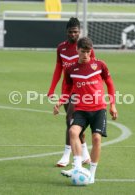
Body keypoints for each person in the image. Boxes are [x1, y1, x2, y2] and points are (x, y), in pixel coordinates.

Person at [53, 37, 118, 184]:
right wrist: (60, 101)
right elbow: (68, 89)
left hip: (99, 109)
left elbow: (109, 83)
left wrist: (112, 104)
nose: (86, 55)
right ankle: (77, 167)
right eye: (83, 52)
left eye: (88, 52)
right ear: (77, 50)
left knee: (96, 138)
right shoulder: (71, 70)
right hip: (81, 109)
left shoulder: (100, 65)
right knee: (72, 132)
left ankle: (92, 174)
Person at [47, 17, 95, 167]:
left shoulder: (85, 48)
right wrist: (51, 89)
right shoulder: (61, 48)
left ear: (80, 32)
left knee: (70, 120)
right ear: (66, 32)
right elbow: (58, 69)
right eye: (70, 32)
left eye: (75, 32)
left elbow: (92, 68)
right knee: (75, 124)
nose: (73, 34)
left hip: (81, 90)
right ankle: (86, 154)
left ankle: (66, 155)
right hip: (67, 89)